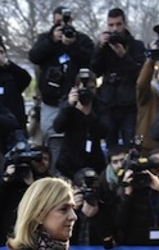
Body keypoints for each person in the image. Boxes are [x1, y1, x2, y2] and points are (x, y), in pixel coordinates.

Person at [29, 6, 94, 146]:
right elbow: (34, 57)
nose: (63, 25)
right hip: (50, 102)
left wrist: (72, 45)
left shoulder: (82, 40)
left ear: (72, 20)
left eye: (66, 21)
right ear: (53, 21)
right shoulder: (46, 38)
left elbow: (91, 61)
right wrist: (52, 41)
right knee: (50, 137)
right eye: (58, 22)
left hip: (75, 102)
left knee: (75, 138)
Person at [91, 7, 146, 148]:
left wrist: (124, 56)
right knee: (111, 147)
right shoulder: (104, 46)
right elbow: (94, 72)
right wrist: (99, 48)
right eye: (111, 25)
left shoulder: (136, 46)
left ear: (125, 24)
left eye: (118, 24)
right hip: (108, 102)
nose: (115, 29)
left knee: (131, 145)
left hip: (129, 103)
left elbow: (141, 75)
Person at [53, 69, 109, 179]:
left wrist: (89, 114)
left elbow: (105, 131)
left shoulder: (100, 104)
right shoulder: (67, 103)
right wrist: (68, 106)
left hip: (93, 160)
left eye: (91, 88)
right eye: (84, 88)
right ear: (76, 88)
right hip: (69, 160)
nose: (87, 92)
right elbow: (57, 127)